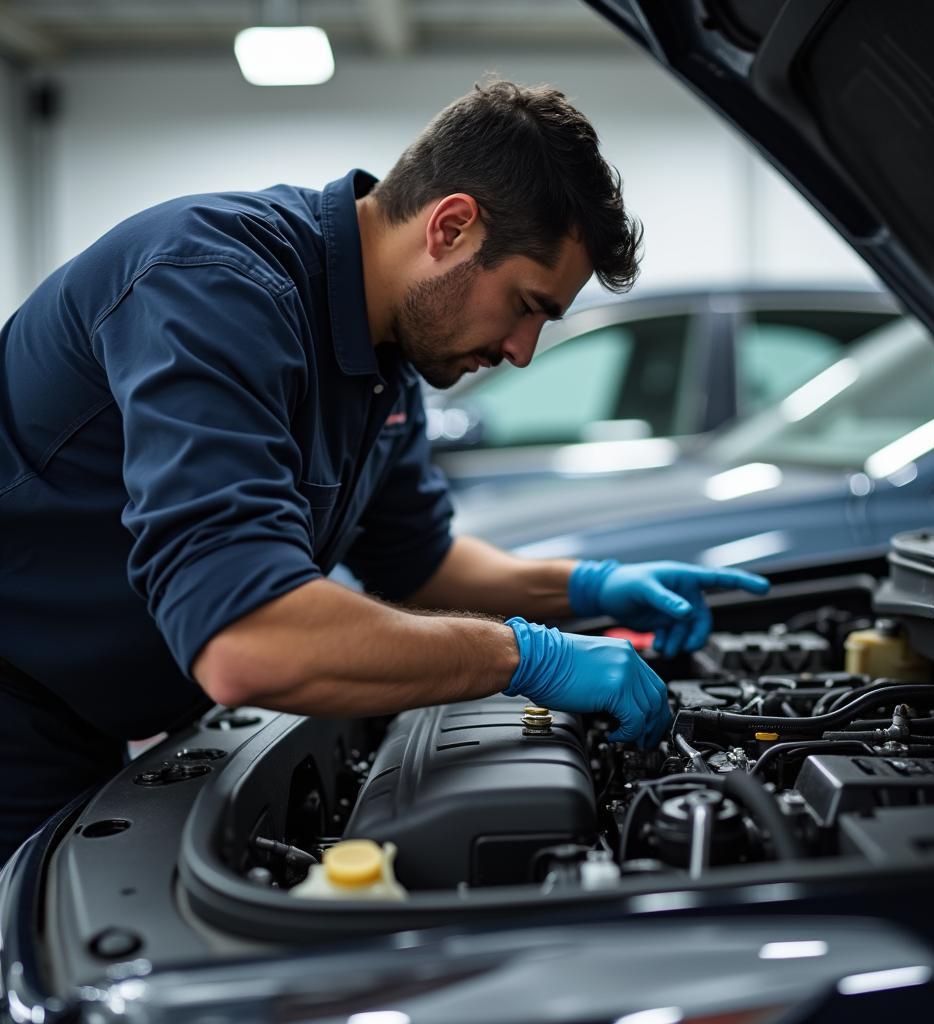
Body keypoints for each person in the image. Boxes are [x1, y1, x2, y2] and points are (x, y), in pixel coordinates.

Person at [0, 80, 767, 862]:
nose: (522, 350)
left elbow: (420, 563)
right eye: (526, 305)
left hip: (91, 713)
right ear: (452, 227)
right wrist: (526, 657)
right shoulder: (214, 287)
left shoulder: (386, 358)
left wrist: (590, 587)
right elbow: (248, 641)